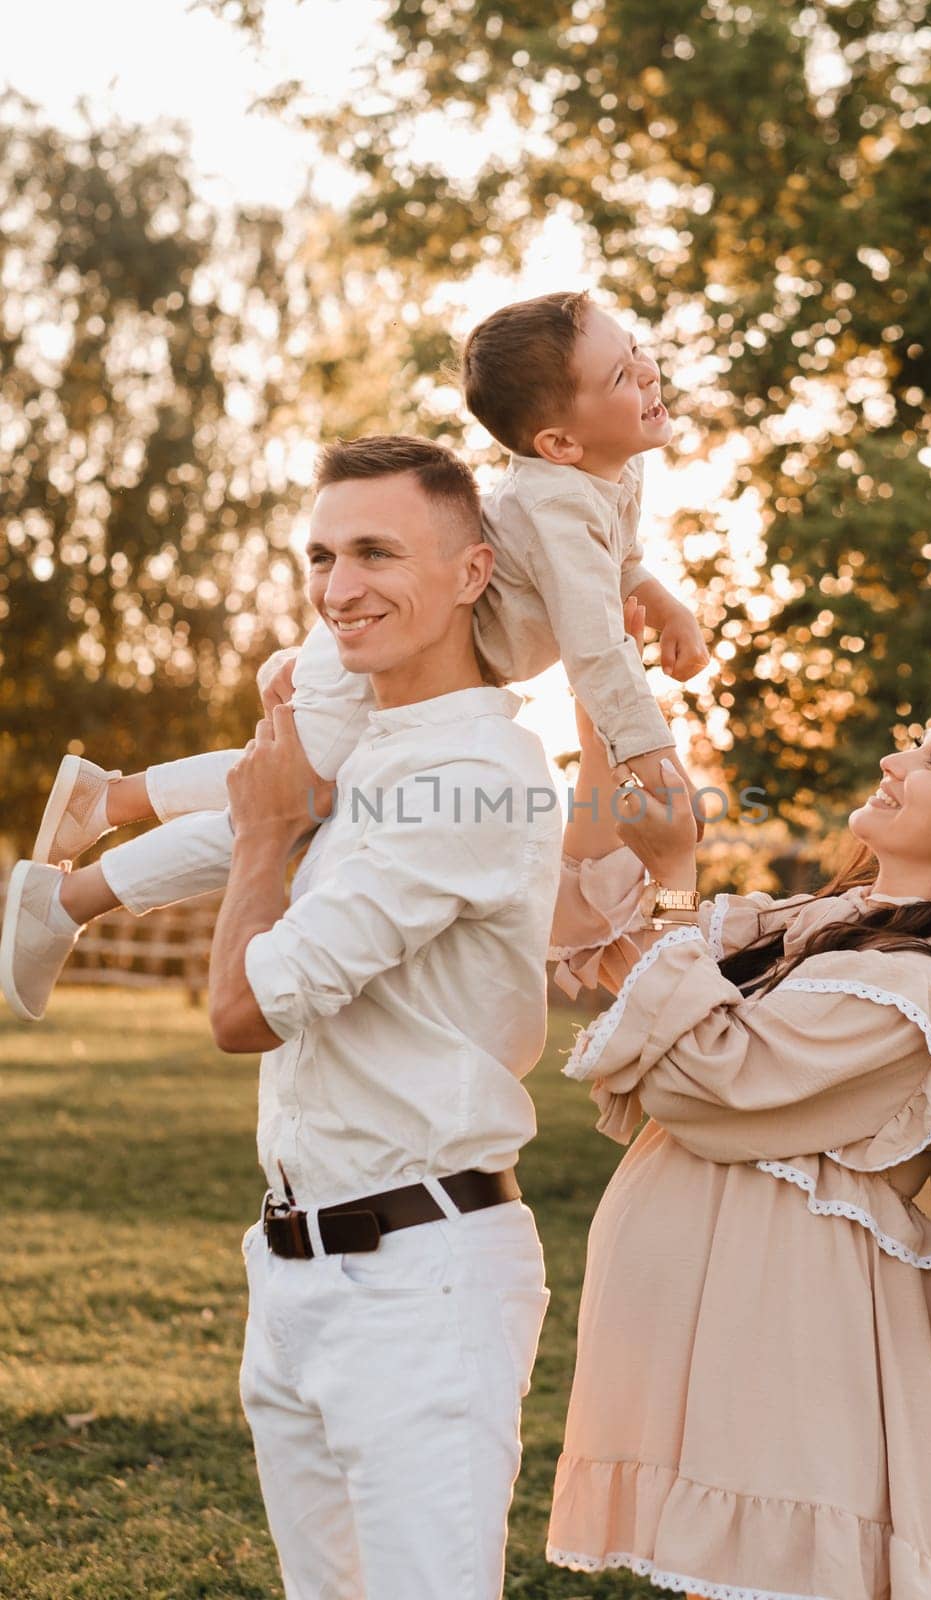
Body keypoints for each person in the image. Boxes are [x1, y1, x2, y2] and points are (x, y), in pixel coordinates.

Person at [9, 437, 565, 1600]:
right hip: (294, 1263)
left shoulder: (480, 773)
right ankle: (55, 903)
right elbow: (244, 824)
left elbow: (244, 1010)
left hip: (424, 1279)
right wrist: (251, 822)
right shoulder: (358, 752)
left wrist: (265, 836)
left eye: (373, 552)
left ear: (471, 573)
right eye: (319, 556)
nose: (337, 586)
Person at [544, 612, 931, 1600]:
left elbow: (709, 1078)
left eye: (930, 757)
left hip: (796, 1346)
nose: (892, 756)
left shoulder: (917, 986)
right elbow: (596, 933)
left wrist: (672, 878)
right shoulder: (831, 924)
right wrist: (595, 707)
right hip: (737, 1339)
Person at [1, 291, 708, 1022]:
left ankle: (74, 890)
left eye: (637, 353)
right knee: (291, 796)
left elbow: (619, 560)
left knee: (303, 808)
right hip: (385, 648)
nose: (649, 374)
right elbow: (595, 647)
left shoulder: (613, 474)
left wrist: (667, 607)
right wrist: (648, 756)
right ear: (559, 443)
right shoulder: (557, 504)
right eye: (622, 375)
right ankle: (110, 805)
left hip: (422, 660)